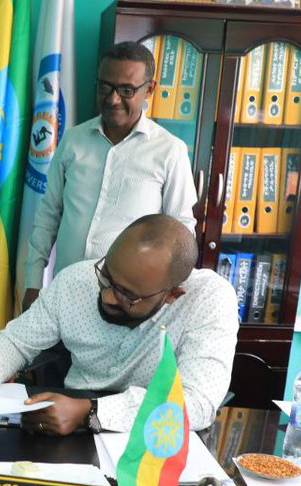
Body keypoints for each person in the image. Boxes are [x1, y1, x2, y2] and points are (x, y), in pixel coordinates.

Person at [0, 215, 237, 434]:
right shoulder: (75, 281)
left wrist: (90, 412)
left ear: (171, 295)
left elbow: (197, 403)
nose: (107, 296)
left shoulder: (209, 299)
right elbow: (17, 341)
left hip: (154, 444)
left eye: (127, 295)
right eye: (106, 276)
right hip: (68, 427)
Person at [22, 40, 198, 311]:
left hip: (128, 306)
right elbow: (48, 215)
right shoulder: (73, 141)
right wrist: (32, 283)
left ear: (149, 89)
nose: (113, 99)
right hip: (66, 294)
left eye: (127, 90)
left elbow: (181, 235)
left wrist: (160, 301)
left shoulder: (169, 151)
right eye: (106, 86)